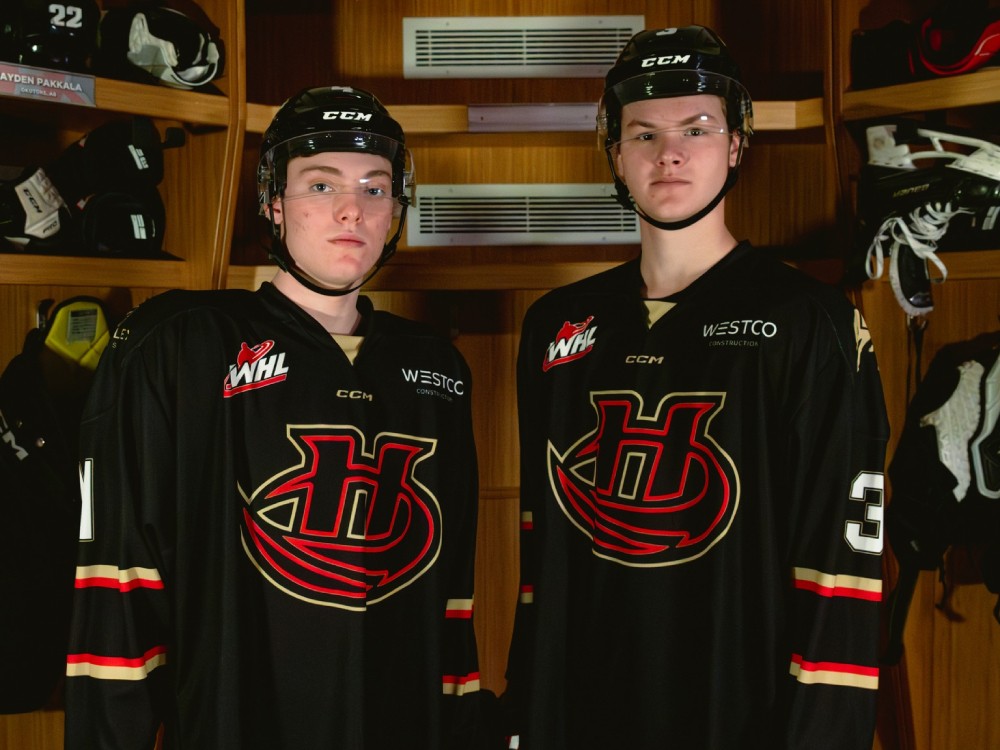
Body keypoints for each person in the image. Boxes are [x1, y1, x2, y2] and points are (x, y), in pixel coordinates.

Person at [501, 26, 889, 749]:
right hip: (585, 712)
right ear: (614, 152)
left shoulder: (811, 322)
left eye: (697, 128)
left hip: (740, 714)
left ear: (737, 143)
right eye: (643, 133)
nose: (669, 153)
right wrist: (527, 710)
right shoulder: (557, 327)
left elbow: (844, 567)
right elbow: (544, 560)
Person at [64, 86, 487, 749]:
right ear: (272, 202)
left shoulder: (437, 371)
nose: (352, 208)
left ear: (396, 209)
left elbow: (450, 600)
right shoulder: (181, 346)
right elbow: (119, 588)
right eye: (321, 184)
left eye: (375, 188)